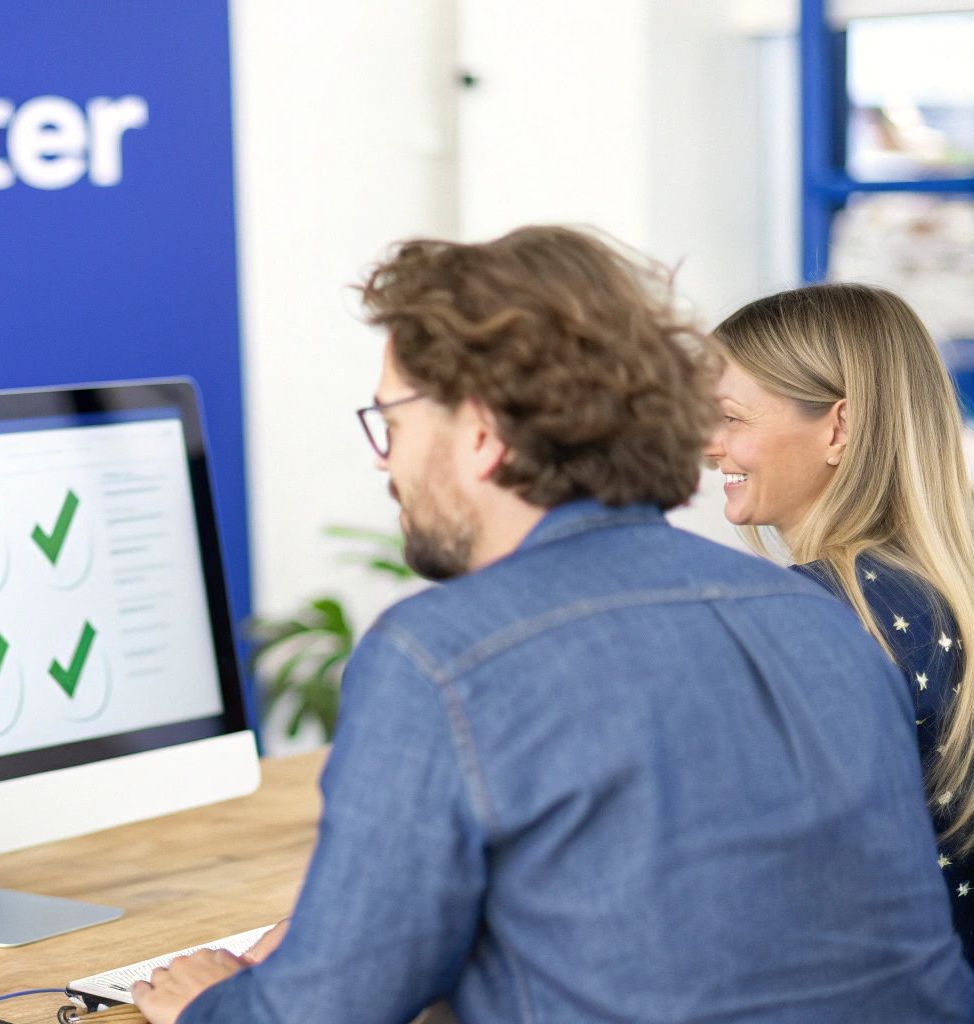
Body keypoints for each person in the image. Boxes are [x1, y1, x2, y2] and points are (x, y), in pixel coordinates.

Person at [133, 227, 973, 1023]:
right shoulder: (818, 625)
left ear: (483, 434)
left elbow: (321, 1009)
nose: (385, 459)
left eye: (393, 421)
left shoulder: (439, 656)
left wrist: (205, 1001)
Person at [705, 282, 974, 966]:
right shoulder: (936, 592)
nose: (710, 446)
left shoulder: (813, 617)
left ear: (840, 427)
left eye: (731, 417)